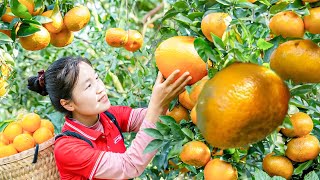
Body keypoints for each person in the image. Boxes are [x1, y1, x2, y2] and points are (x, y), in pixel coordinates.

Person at [27, 56, 192, 180]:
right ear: (68, 104)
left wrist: (185, 97)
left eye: (97, 78)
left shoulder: (109, 116)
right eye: (89, 86)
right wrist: (157, 103)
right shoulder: (68, 148)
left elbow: (155, 118)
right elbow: (129, 166)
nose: (100, 88)